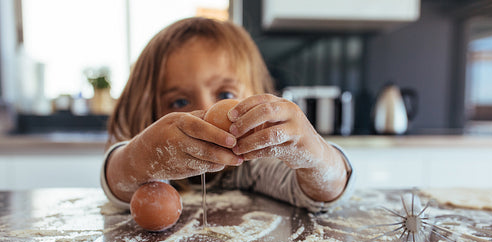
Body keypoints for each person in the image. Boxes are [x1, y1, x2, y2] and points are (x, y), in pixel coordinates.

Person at [100, 17, 354, 213]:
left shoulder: (255, 166)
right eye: (179, 101)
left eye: (225, 94)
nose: (205, 112)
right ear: (152, 112)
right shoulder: (156, 168)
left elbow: (324, 191)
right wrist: (139, 157)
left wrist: (316, 154)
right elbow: (120, 181)